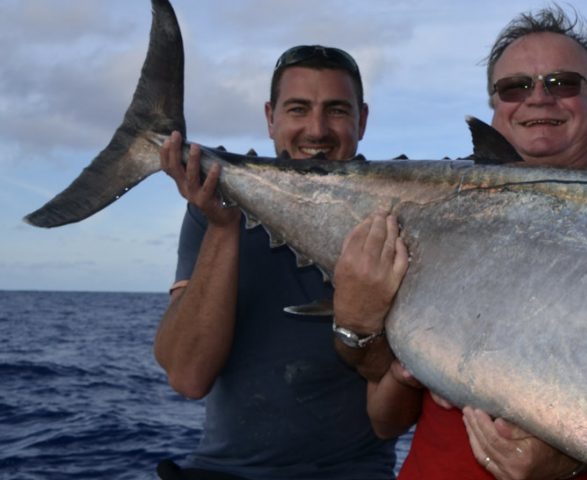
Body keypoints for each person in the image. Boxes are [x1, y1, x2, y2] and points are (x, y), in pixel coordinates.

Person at [333, 6, 587, 480]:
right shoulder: (432, 219)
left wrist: (571, 458)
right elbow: (385, 421)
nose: (538, 99)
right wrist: (360, 330)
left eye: (563, 83)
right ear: (494, 109)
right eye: (515, 87)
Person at [154, 45, 420, 479]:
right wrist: (223, 228)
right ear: (270, 118)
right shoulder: (214, 203)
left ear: (363, 120)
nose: (316, 129)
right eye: (298, 109)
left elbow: (388, 419)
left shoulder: (400, 218)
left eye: (336, 110)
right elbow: (188, 376)